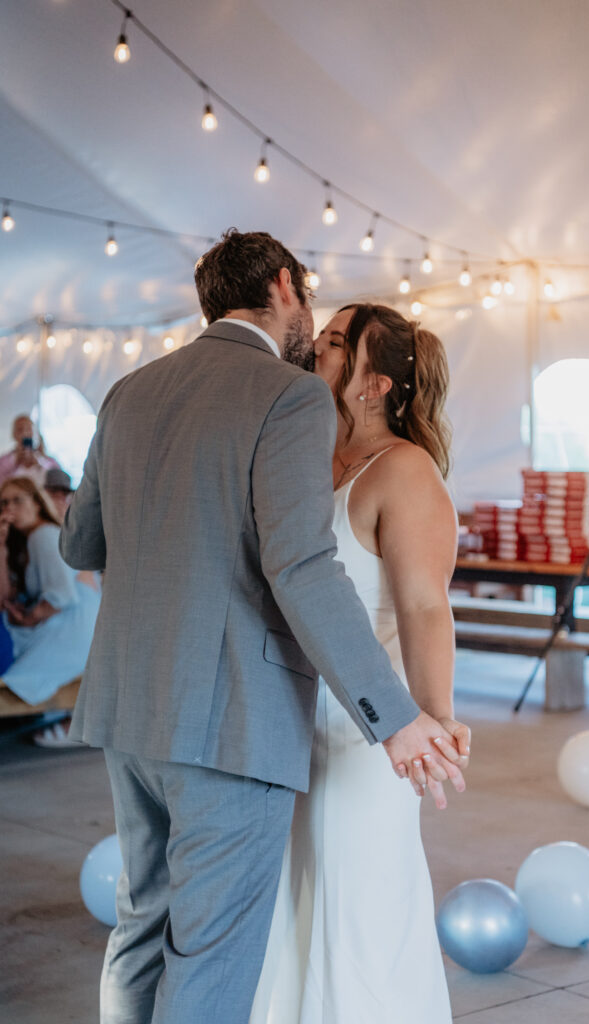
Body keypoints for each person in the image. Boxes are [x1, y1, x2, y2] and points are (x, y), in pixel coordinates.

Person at [59, 230, 469, 1024]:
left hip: (129, 707)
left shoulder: (129, 390)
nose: (311, 337)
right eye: (311, 315)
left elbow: (81, 542)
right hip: (233, 718)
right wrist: (398, 719)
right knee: (210, 954)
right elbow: (300, 568)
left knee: (144, 924)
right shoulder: (287, 399)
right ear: (284, 284)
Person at [250, 303, 465, 1022]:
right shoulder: (305, 452)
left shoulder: (402, 473)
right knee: (291, 909)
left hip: (361, 739)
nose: (316, 347)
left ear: (373, 383)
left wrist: (435, 716)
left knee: (355, 914)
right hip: (283, 724)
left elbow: (425, 607)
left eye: (337, 343)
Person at [0, 478, 101, 728]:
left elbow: (62, 596)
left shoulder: (43, 535)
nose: (11, 507)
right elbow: (8, 596)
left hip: (74, 627)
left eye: (18, 500)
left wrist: (28, 619)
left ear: (36, 502)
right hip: (67, 621)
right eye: (4, 502)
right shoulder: (29, 542)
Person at [0, 414, 61, 488]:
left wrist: (39, 464)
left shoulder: (47, 461)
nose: (25, 433)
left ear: (35, 433)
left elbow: (58, 481)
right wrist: (15, 462)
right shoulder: (4, 462)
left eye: (29, 429)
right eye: (20, 430)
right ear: (14, 434)